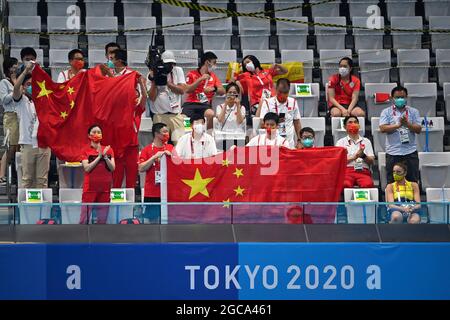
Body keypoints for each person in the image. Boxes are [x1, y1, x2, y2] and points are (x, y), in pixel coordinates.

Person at [108, 48, 147, 188]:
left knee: (131, 178)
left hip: (131, 142)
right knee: (116, 178)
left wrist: (141, 85)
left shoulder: (132, 75)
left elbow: (143, 98)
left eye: (111, 58)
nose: (109, 61)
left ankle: (131, 206)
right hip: (115, 139)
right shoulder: (107, 75)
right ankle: (115, 207)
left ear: (118, 60)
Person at [13, 61, 51, 188]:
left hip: (44, 144)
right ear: (23, 87)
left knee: (42, 180)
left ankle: (42, 208)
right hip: (27, 143)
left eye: (33, 84)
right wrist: (25, 71)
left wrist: (40, 72)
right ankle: (25, 208)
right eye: (28, 84)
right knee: (27, 179)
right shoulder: (22, 101)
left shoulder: (46, 100)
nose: (31, 87)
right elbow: (15, 88)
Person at [379, 85, 421, 184]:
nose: (400, 99)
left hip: (410, 152)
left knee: (413, 182)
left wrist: (407, 124)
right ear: (392, 98)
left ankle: (413, 200)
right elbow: (383, 128)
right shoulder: (386, 112)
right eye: (397, 97)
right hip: (393, 152)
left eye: (403, 97)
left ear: (406, 97)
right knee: (392, 183)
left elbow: (418, 129)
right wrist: (398, 125)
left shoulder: (414, 111)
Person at [147, 50, 187, 144]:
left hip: (176, 115)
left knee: (180, 145)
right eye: (167, 64)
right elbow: (152, 97)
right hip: (159, 115)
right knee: (160, 145)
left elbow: (182, 90)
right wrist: (154, 81)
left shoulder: (178, 70)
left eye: (171, 64)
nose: (169, 66)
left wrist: (168, 83)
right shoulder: (152, 73)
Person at [138, 123, 173, 223]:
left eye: (168, 132)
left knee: (168, 220)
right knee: (153, 221)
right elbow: (141, 168)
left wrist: (171, 157)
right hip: (152, 192)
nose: (167, 134)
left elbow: (178, 166)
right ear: (157, 134)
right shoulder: (146, 150)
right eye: (165, 132)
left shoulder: (171, 148)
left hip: (168, 192)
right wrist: (153, 157)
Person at [80, 125, 115, 224]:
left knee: (102, 220)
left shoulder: (108, 150)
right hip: (90, 188)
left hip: (105, 188)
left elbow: (112, 168)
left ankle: (100, 237)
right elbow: (87, 168)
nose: (97, 134)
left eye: (99, 132)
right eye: (94, 132)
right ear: (89, 135)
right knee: (84, 218)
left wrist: (105, 157)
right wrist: (99, 156)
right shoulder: (85, 150)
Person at [183, 51, 225, 130]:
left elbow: (222, 91)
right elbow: (187, 90)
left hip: (204, 104)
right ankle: (188, 134)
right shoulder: (191, 74)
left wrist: (214, 89)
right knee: (184, 118)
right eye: (214, 63)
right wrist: (200, 79)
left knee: (211, 114)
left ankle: (208, 135)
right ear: (207, 62)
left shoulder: (213, 76)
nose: (215, 65)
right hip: (191, 103)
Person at [257, 78, 301, 148]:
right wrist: (276, 121)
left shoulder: (293, 102)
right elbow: (262, 124)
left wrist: (299, 140)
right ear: (276, 89)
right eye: (280, 92)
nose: (282, 95)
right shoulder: (267, 103)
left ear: (289, 91)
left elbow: (297, 122)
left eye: (285, 92)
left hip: (289, 143)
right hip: (272, 144)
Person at [336, 116, 375, 188]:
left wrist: (363, 155)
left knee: (368, 184)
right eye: (350, 122)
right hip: (347, 171)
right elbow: (338, 163)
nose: (353, 124)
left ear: (359, 126)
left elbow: (372, 161)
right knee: (345, 184)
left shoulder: (366, 141)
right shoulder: (340, 142)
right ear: (345, 127)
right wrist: (354, 157)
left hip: (363, 171)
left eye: (355, 122)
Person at [0, 57, 19, 184]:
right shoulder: (4, 83)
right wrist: (14, 91)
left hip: (21, 115)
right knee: (10, 146)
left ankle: (17, 175)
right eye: (14, 66)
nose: (16, 68)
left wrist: (16, 83)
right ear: (9, 68)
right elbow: (4, 100)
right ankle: (1, 175)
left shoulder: (18, 80)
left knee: (19, 147)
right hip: (10, 116)